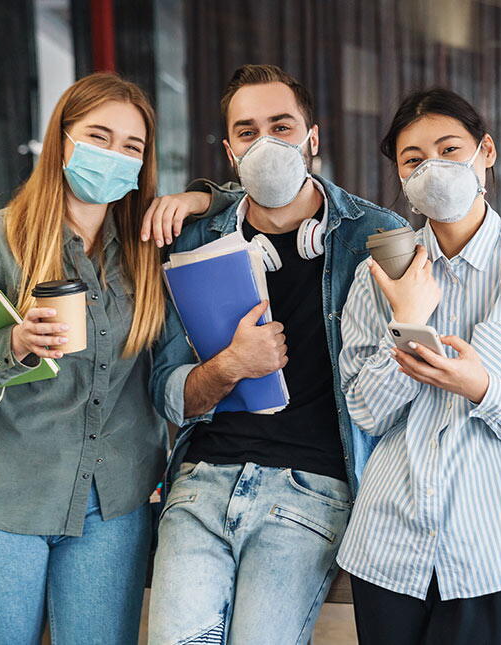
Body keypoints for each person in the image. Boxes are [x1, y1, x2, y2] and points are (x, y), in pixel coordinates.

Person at [146, 64, 407, 645]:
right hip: (201, 484)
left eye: (282, 126)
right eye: (247, 131)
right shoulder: (195, 239)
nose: (265, 143)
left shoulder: (375, 234)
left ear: (313, 139)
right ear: (230, 151)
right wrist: (230, 366)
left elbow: (399, 386)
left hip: (312, 492)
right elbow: (167, 391)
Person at [336, 87, 501, 645]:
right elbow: (365, 411)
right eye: (413, 159)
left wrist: (484, 389)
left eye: (450, 149)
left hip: (490, 548)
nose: (434, 168)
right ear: (401, 178)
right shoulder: (375, 276)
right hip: (388, 543)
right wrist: (408, 318)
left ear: (487, 152)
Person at [0, 73, 167, 644]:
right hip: (3, 498)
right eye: (98, 136)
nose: (114, 156)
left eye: (132, 146)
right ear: (62, 140)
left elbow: (235, 204)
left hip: (115, 502)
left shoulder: (147, 252)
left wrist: (197, 194)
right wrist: (13, 345)